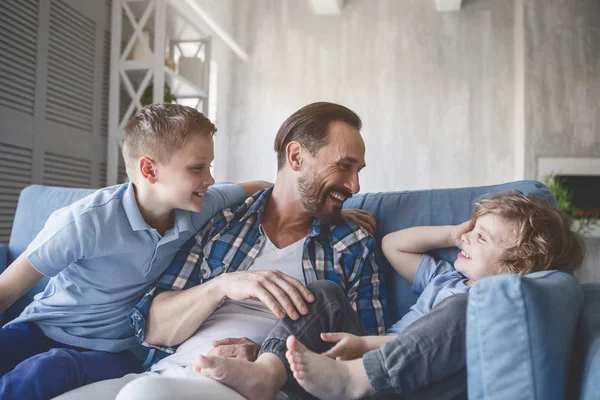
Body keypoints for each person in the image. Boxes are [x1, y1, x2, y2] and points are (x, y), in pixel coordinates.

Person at [54, 101, 389, 400]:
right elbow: (153, 327)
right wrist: (222, 285)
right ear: (296, 157)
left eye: (358, 171)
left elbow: (365, 360)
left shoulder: (352, 244)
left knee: (145, 394)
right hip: (170, 371)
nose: (355, 186)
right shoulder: (223, 221)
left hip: (255, 387)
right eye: (344, 166)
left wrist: (269, 355)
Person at [0, 103, 271, 399]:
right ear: (149, 169)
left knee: (50, 368)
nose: (209, 179)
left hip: (118, 351)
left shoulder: (202, 205)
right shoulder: (86, 221)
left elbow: (262, 188)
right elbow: (8, 290)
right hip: (43, 328)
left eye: (209, 166)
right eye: (197, 168)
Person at [280, 191, 585, 399]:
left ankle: (351, 379)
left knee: (464, 307)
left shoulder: (485, 312)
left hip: (407, 382)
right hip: (366, 358)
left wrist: (365, 346)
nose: (465, 237)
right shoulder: (444, 277)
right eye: (471, 229)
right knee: (324, 292)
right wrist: (452, 233)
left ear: (516, 265)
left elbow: (432, 347)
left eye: (480, 237)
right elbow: (392, 245)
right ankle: (268, 368)